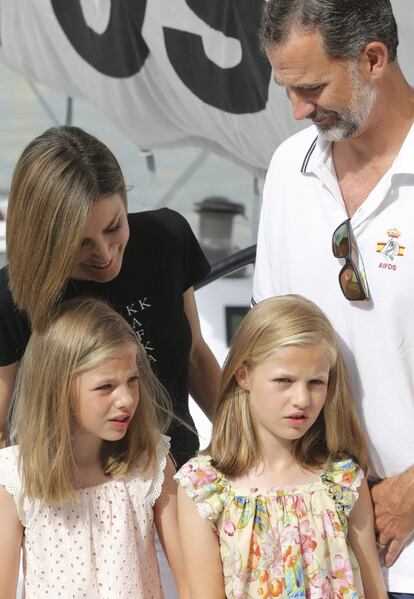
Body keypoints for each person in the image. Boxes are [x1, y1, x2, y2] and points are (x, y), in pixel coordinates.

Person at [252, 2, 414, 596]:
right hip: (318, 555)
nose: (297, 111)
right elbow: (268, 346)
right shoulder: (287, 170)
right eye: (287, 90)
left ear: (373, 59)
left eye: (312, 87)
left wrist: (407, 495)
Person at [0, 125, 221, 467]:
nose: (104, 253)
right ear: (44, 237)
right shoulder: (11, 296)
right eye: (80, 243)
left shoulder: (166, 239)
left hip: (179, 479)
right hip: (70, 503)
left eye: (113, 227)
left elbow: (195, 356)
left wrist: (248, 441)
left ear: (126, 202)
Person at [175, 295, 387, 598]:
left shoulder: (343, 480)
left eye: (316, 382)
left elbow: (374, 591)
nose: (302, 398)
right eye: (284, 380)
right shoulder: (204, 486)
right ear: (244, 375)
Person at [0, 297, 189, 598]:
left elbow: (190, 579)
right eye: (105, 387)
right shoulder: (15, 478)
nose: (126, 399)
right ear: (56, 390)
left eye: (132, 380)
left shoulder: (149, 461)